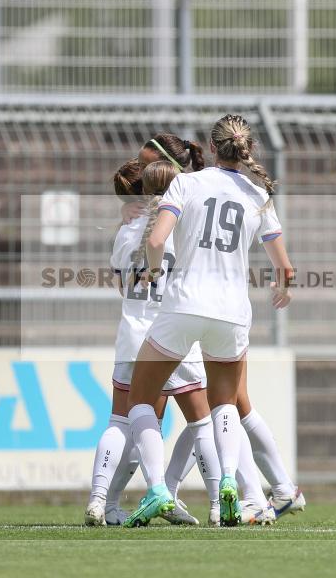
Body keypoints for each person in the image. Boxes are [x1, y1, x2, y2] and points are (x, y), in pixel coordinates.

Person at [124, 114, 293, 527]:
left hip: (183, 305)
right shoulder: (257, 193)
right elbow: (284, 267)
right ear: (247, 149)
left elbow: (157, 239)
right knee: (225, 405)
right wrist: (282, 288)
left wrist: (154, 270)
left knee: (140, 399)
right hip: (232, 314)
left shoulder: (186, 183)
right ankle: (230, 485)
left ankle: (159, 491)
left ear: (212, 148)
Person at [85, 161, 223, 526]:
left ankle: (100, 502)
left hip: (132, 335)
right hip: (173, 333)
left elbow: (120, 284)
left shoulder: (127, 229)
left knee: (119, 420)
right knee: (201, 422)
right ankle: (214, 504)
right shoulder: (183, 229)